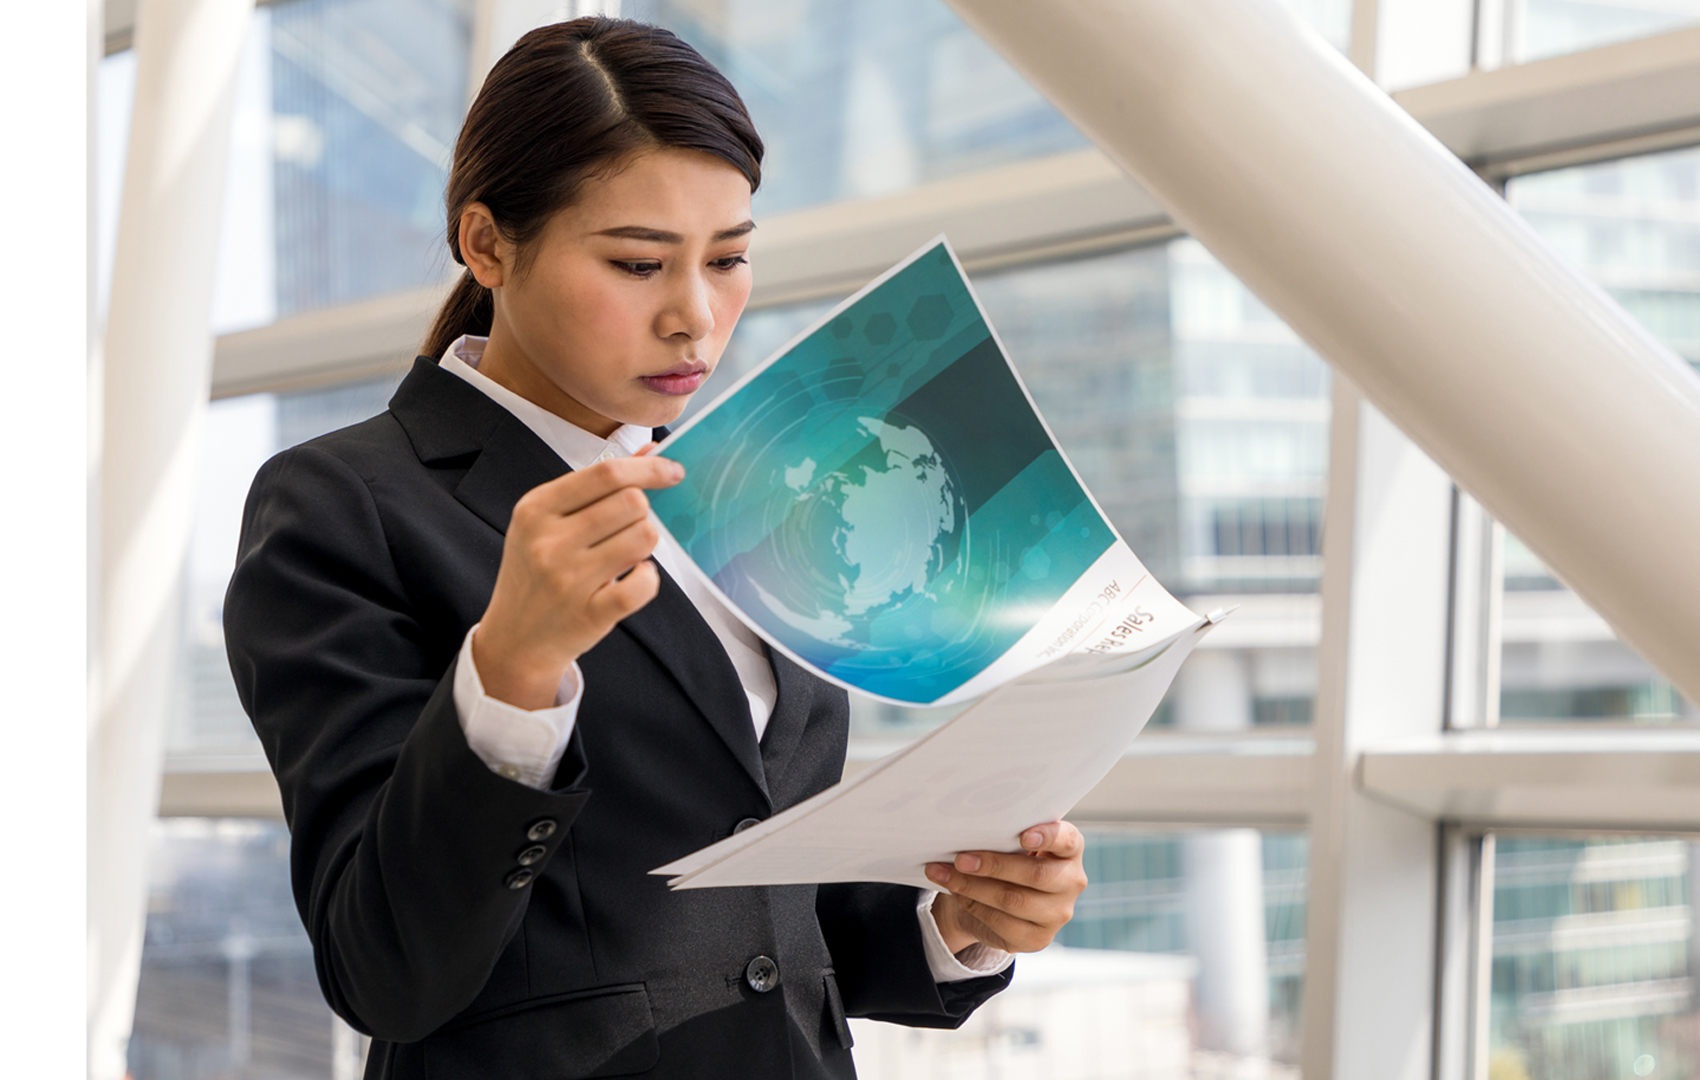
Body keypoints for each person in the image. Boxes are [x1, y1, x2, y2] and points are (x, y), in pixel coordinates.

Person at [225, 17, 1088, 1080]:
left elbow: (756, 913)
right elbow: (385, 969)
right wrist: (512, 674)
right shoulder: (345, 504)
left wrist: (956, 919)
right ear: (487, 243)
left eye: (728, 258)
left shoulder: (753, 493)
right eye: (638, 263)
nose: (695, 318)